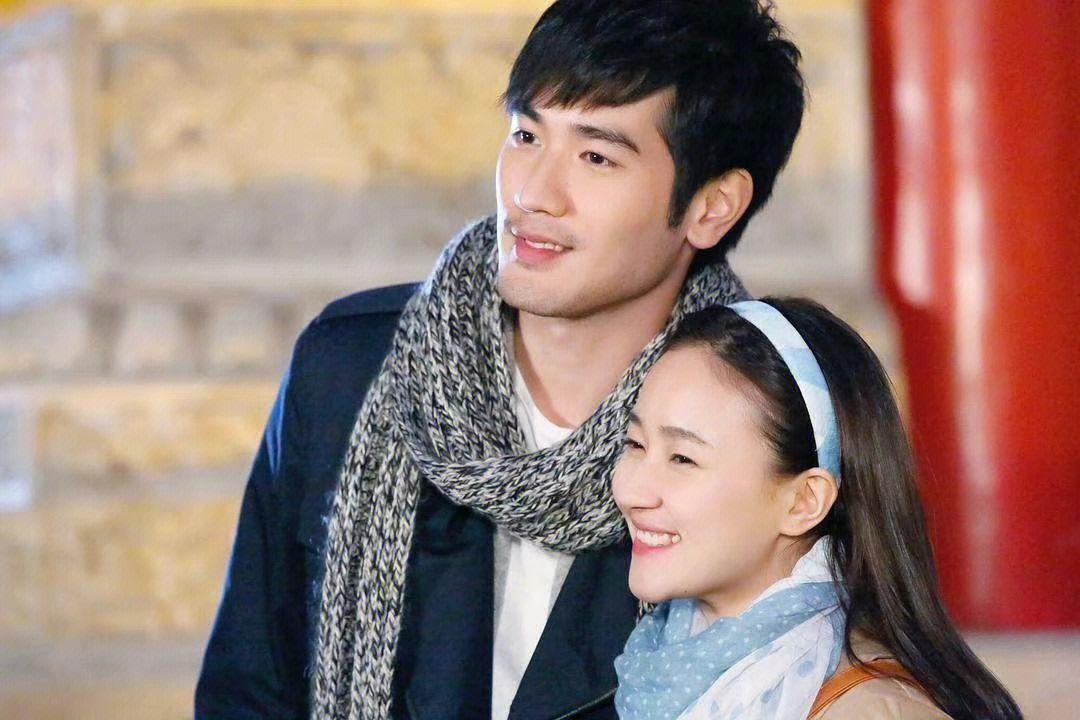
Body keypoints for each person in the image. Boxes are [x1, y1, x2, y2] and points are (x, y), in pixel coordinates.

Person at [195, 1, 806, 718]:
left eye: (596, 157)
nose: (532, 194)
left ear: (711, 206)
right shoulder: (353, 369)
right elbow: (249, 691)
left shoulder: (765, 438)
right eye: (525, 134)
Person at [611, 298, 1022, 720]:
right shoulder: (657, 669)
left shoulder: (873, 710)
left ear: (804, 501)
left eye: (682, 458)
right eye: (635, 444)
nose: (631, 491)